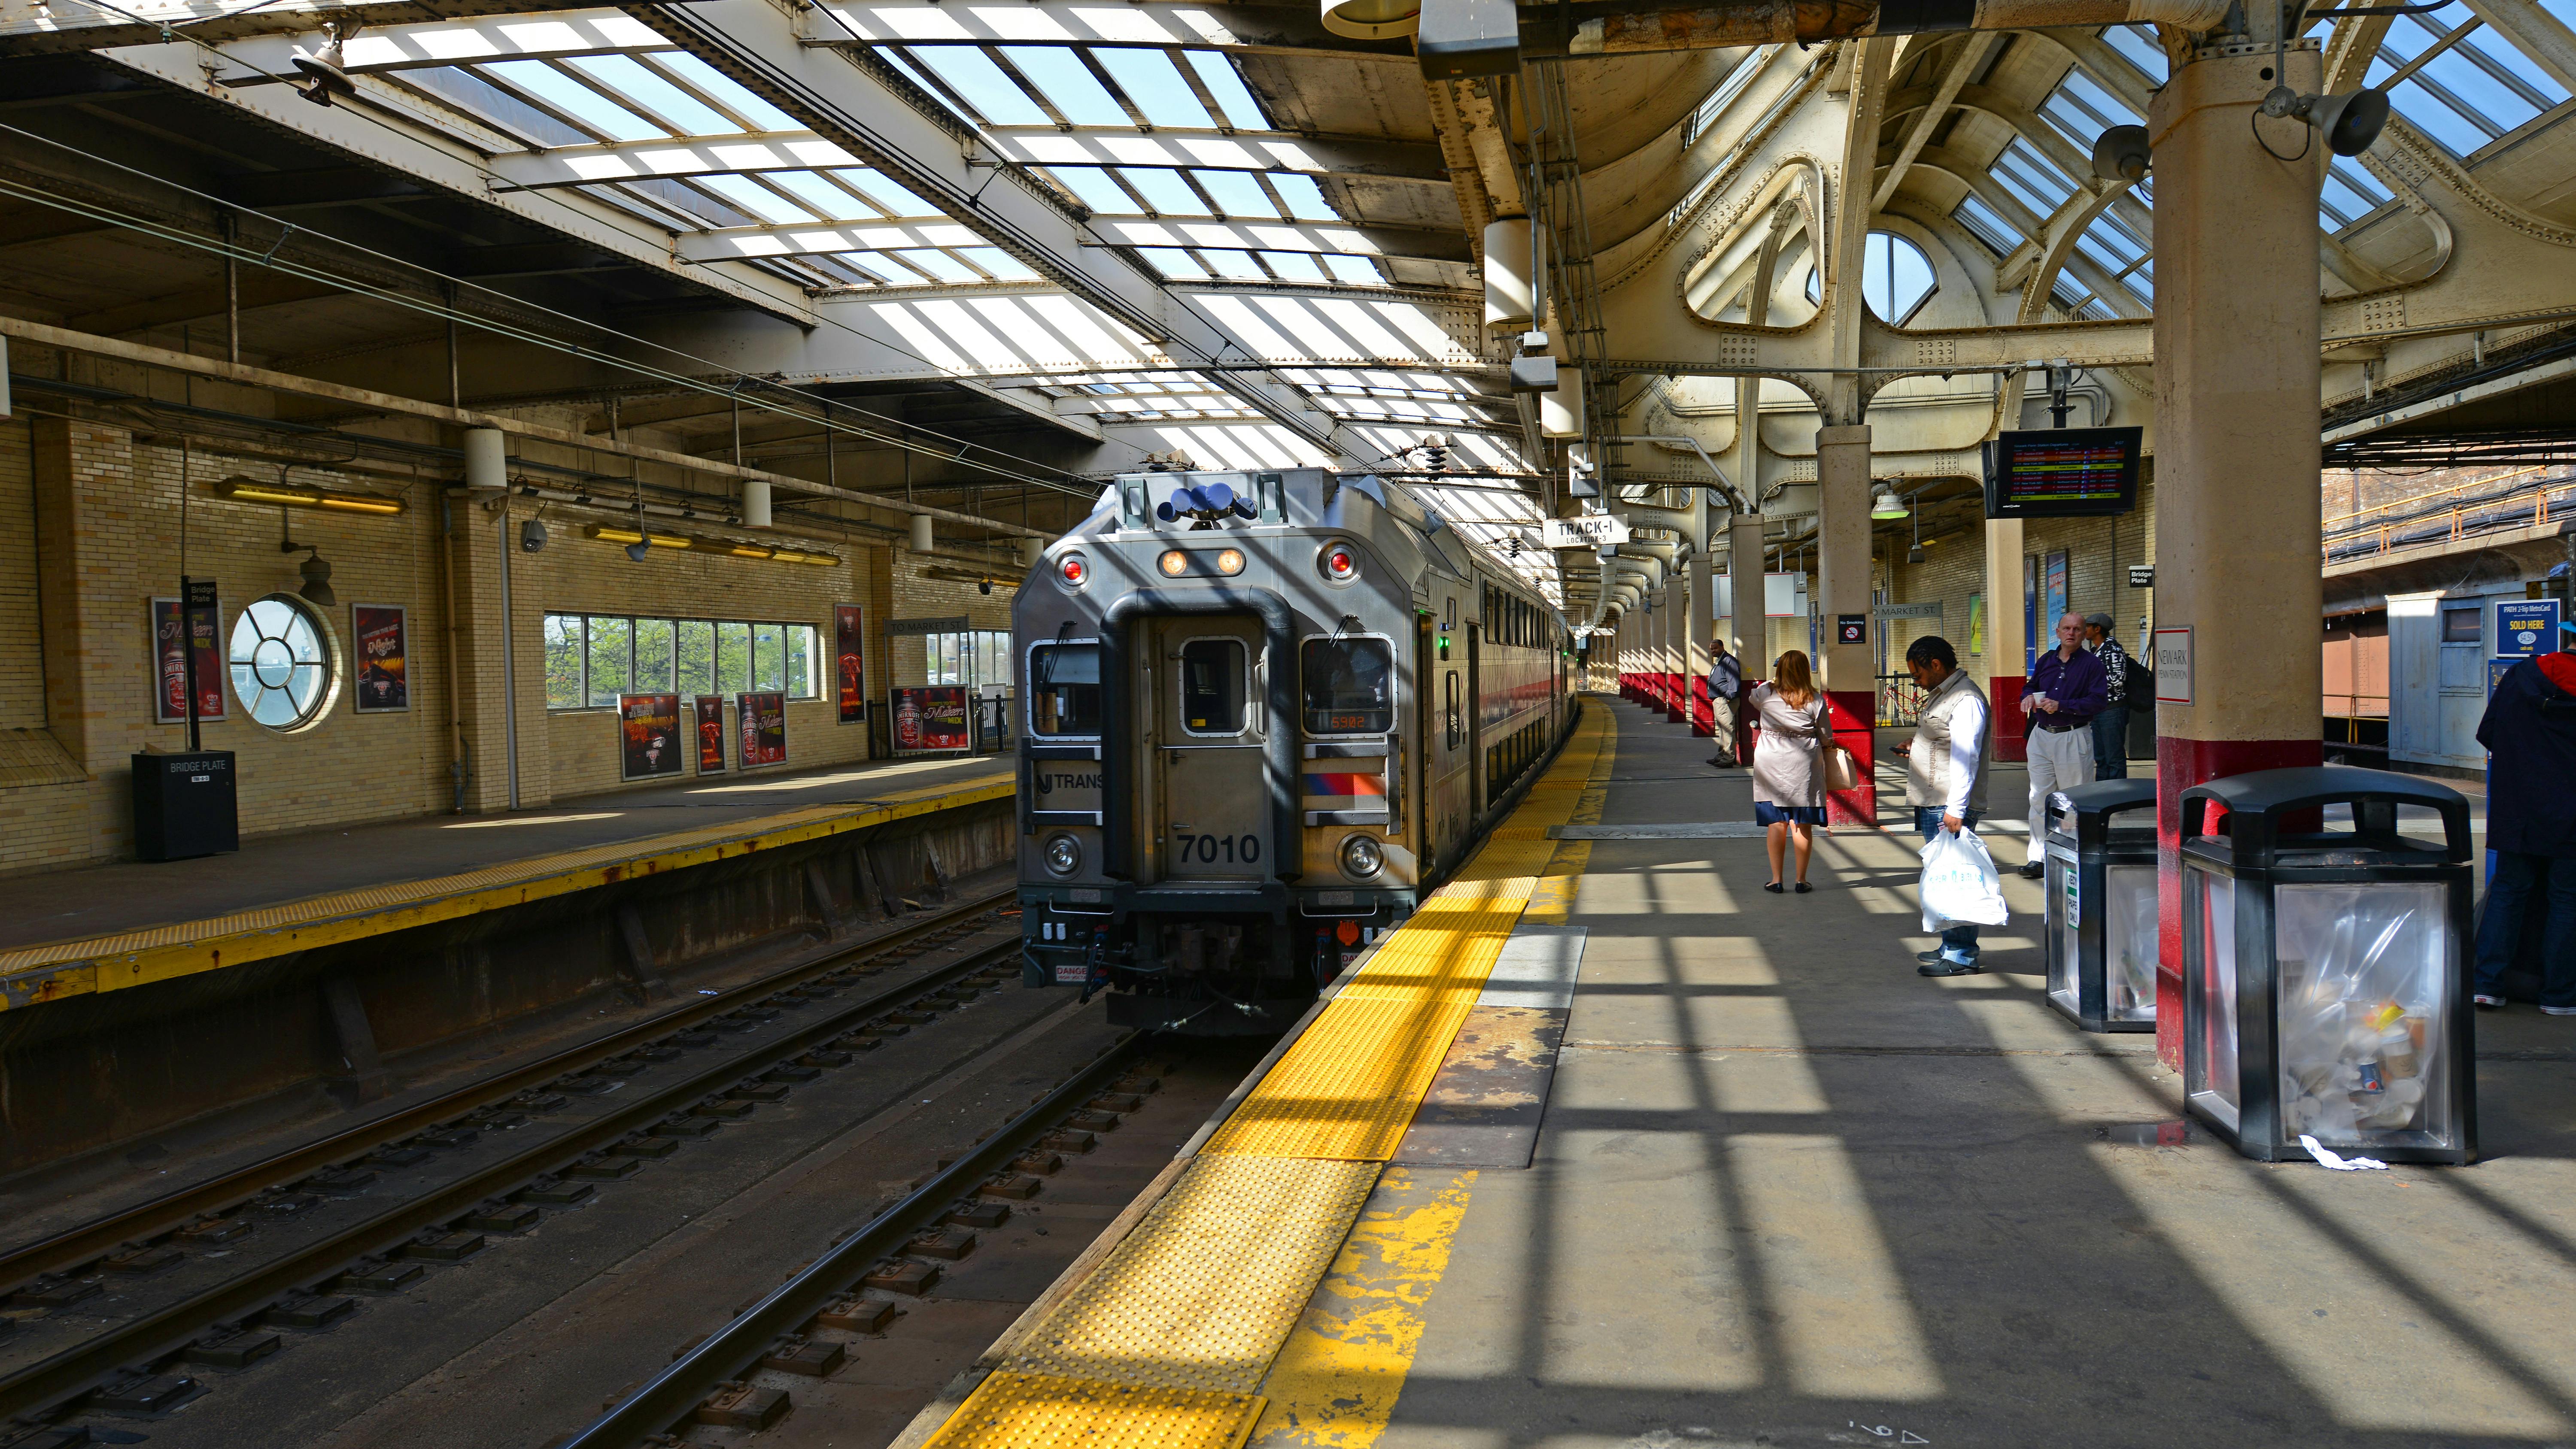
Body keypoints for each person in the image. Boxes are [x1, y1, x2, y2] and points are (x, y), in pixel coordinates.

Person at [2471, 615, 2576, 1012]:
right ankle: (2559, 997)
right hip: (2571, 816)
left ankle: (2487, 986)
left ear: (2568, 636)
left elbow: (2488, 733)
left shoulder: (2521, 675)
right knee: (2567, 901)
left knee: (2509, 894)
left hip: (2519, 811)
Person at [1902, 635, 1991, 976]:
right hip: (1934, 800)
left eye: (1919, 674)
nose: (1917, 681)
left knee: (1956, 880)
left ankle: (1962, 954)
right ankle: (1950, 944)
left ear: (1936, 665)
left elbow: (1966, 758)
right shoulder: (1945, 695)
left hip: (1948, 805)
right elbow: (1944, 740)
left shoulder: (1966, 699)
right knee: (1943, 877)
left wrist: (1957, 809)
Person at [2018, 612, 2108, 879]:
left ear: (2084, 634)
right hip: (2041, 735)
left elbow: (2098, 701)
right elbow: (2030, 686)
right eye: (2067, 629)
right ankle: (2038, 857)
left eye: (2077, 629)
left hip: (2072, 735)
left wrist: (2063, 706)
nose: (2072, 633)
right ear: (2058, 632)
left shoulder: (2092, 665)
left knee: (2073, 799)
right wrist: (2027, 698)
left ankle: (2071, 855)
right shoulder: (2046, 660)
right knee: (2039, 798)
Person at [1748, 649, 1828, 894]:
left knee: (1777, 823)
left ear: (1779, 670)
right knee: (1802, 825)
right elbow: (1825, 736)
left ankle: (1776, 879)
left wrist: (1772, 682)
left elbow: (1753, 699)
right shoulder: (1815, 699)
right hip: (1803, 765)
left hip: (1770, 763)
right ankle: (1801, 880)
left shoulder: (1765, 693)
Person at [2083, 612, 2131, 781]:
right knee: (2101, 757)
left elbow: (2119, 679)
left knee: (2114, 757)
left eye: (2088, 627)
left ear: (2098, 629)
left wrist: (2092, 685)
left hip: (2113, 710)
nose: (2084, 630)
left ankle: (2116, 795)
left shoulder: (2113, 649)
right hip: (2099, 710)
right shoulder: (2095, 650)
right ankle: (2102, 793)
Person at [1706, 637, 1745, 768]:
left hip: (1725, 701)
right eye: (1711, 649)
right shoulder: (1720, 661)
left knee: (1728, 729)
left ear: (1722, 647)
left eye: (1715, 648)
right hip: (1719, 700)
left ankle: (1728, 758)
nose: (1713, 651)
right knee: (1723, 730)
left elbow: (1734, 682)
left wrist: (1729, 697)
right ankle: (1722, 755)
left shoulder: (1729, 661)